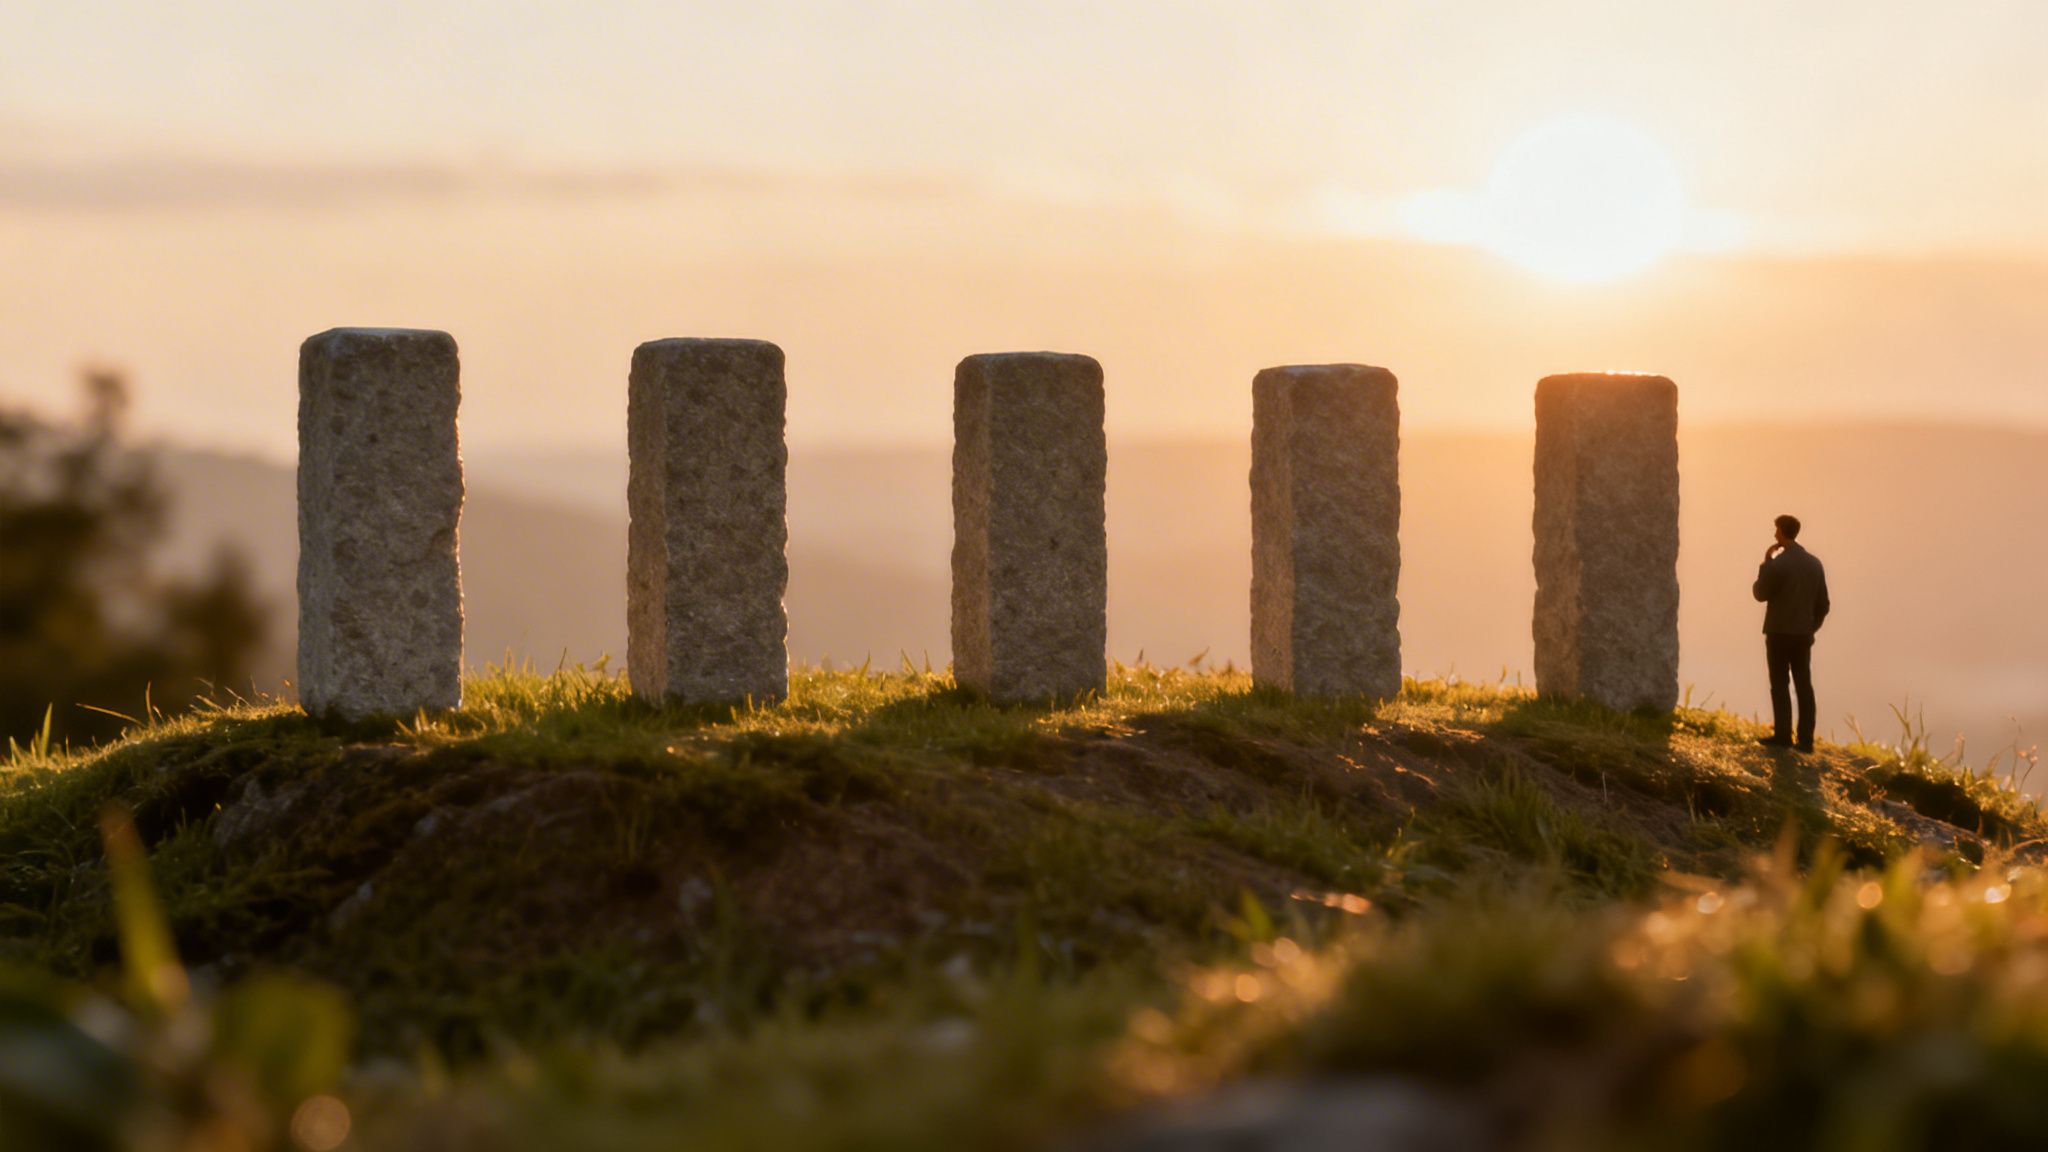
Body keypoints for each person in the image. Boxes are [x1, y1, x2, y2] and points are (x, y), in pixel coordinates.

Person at [1752, 514, 1830, 752]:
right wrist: (1811, 628)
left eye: (1776, 530)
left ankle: (1783, 736)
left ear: (1781, 532)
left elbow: (1759, 593)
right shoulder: (1815, 564)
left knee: (1780, 683)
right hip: (1802, 635)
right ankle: (1806, 741)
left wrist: (1766, 562)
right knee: (1804, 686)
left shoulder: (1779, 564)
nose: (1774, 534)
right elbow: (1824, 605)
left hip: (1778, 633)